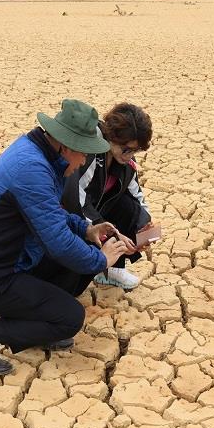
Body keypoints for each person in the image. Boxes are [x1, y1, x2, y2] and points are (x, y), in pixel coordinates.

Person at [0, 99, 132, 375]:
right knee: (70, 318)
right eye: (83, 153)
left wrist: (86, 229)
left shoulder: (42, 157)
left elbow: (52, 213)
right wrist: (101, 260)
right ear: (67, 145)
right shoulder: (31, 169)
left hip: (17, 261)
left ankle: (40, 323)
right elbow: (59, 243)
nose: (85, 160)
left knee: (76, 269)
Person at [62, 102, 153, 290]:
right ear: (111, 137)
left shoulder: (125, 162)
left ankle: (113, 270)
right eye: (126, 149)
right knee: (73, 289)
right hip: (71, 216)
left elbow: (137, 197)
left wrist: (145, 232)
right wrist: (107, 234)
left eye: (135, 151)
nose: (130, 155)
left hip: (98, 212)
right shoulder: (92, 150)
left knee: (130, 208)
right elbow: (75, 199)